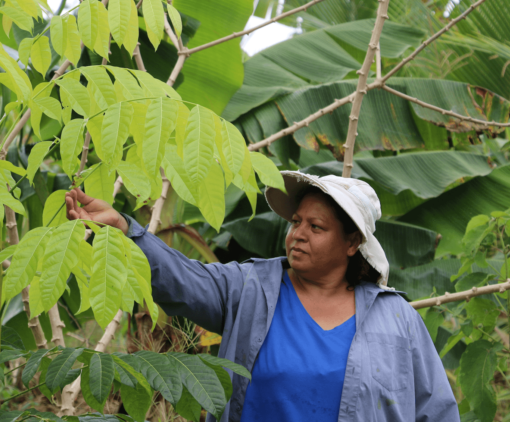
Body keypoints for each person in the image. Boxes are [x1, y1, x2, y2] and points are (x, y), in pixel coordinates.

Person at [65, 171, 459, 422]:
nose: (298, 233)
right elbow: (184, 279)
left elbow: (435, 411)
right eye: (295, 222)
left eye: (316, 226)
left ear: (352, 242)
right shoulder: (249, 288)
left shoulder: (397, 320)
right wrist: (126, 230)